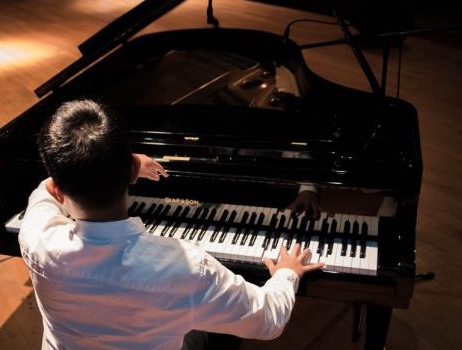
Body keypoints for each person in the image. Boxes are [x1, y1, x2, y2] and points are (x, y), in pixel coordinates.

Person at [19, 99, 325, 350]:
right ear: (130, 174)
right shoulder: (186, 267)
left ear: (60, 189)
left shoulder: (36, 238)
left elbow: (43, 190)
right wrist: (286, 274)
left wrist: (126, 162)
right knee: (211, 329)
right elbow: (269, 321)